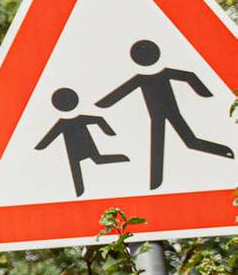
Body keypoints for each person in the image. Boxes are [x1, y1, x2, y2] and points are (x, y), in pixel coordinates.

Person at [97, 38, 233, 188]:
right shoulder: (148, 78)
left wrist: (206, 93)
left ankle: (224, 151)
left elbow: (189, 77)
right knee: (164, 145)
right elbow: (119, 94)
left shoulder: (150, 77)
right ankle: (155, 182)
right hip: (158, 116)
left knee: (185, 142)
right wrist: (102, 105)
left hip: (170, 113)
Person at [34, 87, 127, 197]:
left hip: (81, 147)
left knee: (92, 162)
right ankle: (79, 192)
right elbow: (99, 120)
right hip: (77, 149)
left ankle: (123, 159)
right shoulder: (67, 122)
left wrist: (40, 147)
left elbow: (49, 137)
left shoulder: (63, 123)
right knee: (89, 163)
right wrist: (109, 132)